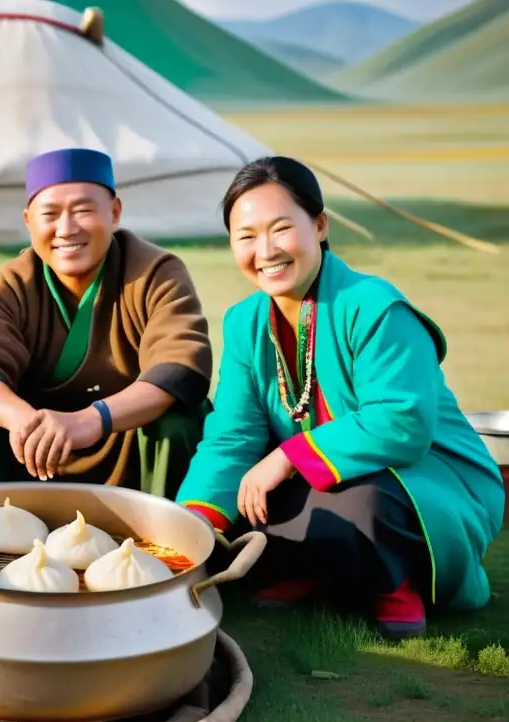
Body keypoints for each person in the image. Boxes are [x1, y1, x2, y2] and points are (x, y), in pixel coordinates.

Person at [176, 156, 505, 639]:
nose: (265, 250)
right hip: (316, 478)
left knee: (362, 502)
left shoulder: (374, 306)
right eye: (245, 236)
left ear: (321, 225)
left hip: (420, 478)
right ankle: (316, 572)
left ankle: (396, 581)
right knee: (247, 510)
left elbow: (403, 422)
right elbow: (232, 437)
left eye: (281, 229)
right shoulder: (244, 322)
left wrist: (288, 456)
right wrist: (195, 523)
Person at [0, 148, 213, 495]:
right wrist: (25, 422)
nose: (67, 229)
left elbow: (179, 368)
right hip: (38, 450)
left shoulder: (155, 273)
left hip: (122, 435)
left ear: (114, 212)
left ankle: (162, 537)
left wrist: (92, 419)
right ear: (29, 221)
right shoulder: (14, 283)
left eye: (84, 210)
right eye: (50, 214)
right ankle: (4, 532)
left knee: (178, 422)